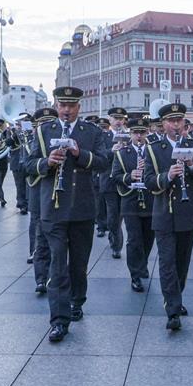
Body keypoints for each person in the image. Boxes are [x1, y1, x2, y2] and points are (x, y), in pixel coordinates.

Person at [26, 86, 108, 343]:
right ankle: (59, 320)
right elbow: (26, 165)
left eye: (71, 106)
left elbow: (105, 162)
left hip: (82, 209)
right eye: (62, 105)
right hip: (53, 209)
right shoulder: (43, 131)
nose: (66, 110)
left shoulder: (92, 132)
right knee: (58, 264)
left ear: (79, 107)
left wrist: (78, 153)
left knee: (78, 265)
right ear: (57, 105)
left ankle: (77, 301)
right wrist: (47, 162)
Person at [143, 102, 193, 331]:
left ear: (184, 123)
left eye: (179, 121)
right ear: (163, 124)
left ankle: (176, 296)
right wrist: (167, 176)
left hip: (188, 213)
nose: (175, 125)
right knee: (167, 262)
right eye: (171, 121)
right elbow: (149, 181)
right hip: (163, 214)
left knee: (182, 262)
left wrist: (192, 165)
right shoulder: (153, 148)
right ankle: (172, 308)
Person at [111, 117, 155, 292]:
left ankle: (142, 264)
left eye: (142, 132)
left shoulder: (153, 151)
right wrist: (130, 176)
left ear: (147, 133)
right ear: (130, 133)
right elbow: (115, 176)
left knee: (148, 238)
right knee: (134, 239)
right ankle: (135, 275)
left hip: (150, 199)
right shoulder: (122, 153)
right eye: (135, 132)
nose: (138, 136)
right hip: (130, 201)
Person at [25, 107, 58, 294]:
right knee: (39, 235)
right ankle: (40, 277)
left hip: (58, 196)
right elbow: (25, 165)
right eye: (42, 123)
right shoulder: (31, 143)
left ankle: (52, 273)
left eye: (49, 122)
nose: (46, 126)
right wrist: (45, 164)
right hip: (38, 192)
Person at [100, 108, 128, 259]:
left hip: (125, 181)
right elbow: (99, 156)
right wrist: (111, 150)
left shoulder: (130, 135)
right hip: (109, 181)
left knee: (121, 215)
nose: (118, 121)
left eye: (121, 118)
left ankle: (116, 239)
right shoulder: (103, 136)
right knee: (112, 216)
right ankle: (116, 244)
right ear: (109, 119)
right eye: (115, 118)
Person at [8, 115, 31, 215]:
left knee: (30, 184)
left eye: (25, 122)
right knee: (20, 185)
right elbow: (7, 143)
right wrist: (15, 132)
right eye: (21, 122)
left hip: (29, 162)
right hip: (17, 163)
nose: (22, 124)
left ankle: (28, 202)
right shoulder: (12, 132)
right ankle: (22, 205)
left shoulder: (32, 133)